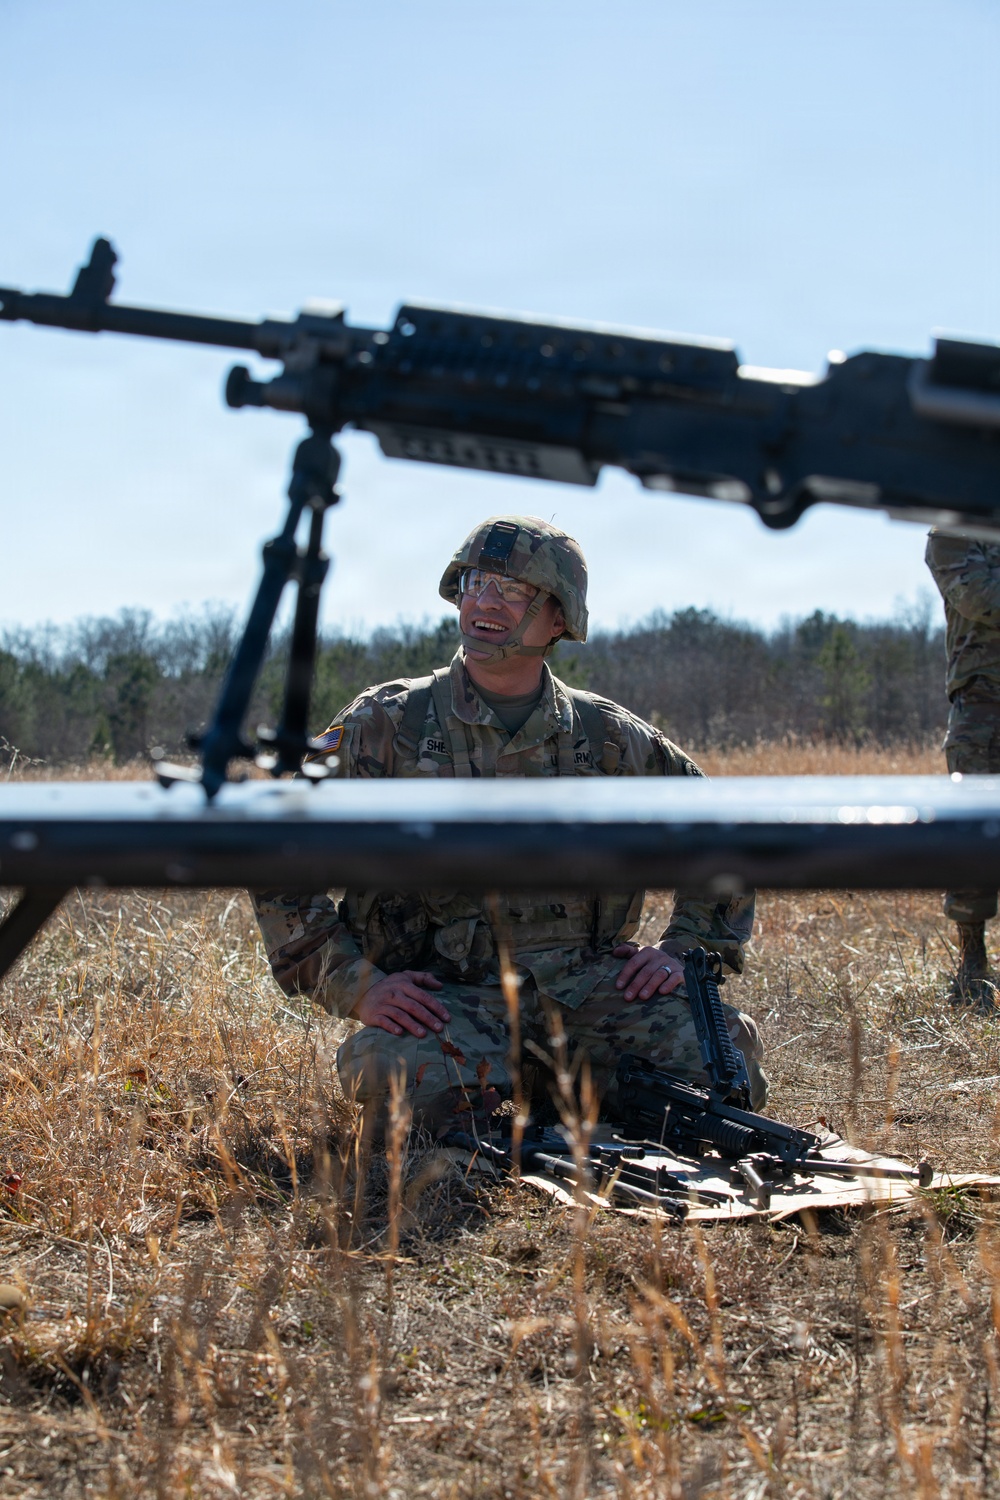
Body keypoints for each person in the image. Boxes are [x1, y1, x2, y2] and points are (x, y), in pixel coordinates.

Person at [253, 515, 767, 1135]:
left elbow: (721, 831)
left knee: (721, 1070)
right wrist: (357, 984)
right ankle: (522, 1094)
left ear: (559, 620)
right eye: (474, 582)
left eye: (513, 589)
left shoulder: (609, 738)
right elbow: (276, 848)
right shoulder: (386, 724)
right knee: (408, 1083)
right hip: (449, 998)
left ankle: (564, 1087)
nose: (483, 601)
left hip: (588, 991)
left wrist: (686, 948)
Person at [926, 528, 1000, 1010]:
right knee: (976, 832)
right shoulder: (954, 525)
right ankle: (973, 961)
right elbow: (980, 597)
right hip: (984, 705)